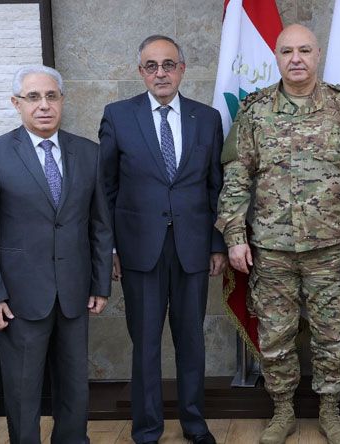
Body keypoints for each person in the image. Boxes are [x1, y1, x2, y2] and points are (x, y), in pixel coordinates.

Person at [216, 23, 340, 444]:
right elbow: (236, 178)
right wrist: (234, 236)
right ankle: (282, 411)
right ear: (276, 56)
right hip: (271, 249)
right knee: (275, 335)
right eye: (287, 51)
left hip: (331, 248)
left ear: (317, 54)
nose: (296, 59)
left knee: (332, 335)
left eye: (304, 50)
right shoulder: (254, 110)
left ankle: (330, 412)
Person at [0, 65, 113, 443]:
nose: (43, 105)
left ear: (62, 101)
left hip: (74, 293)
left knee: (74, 388)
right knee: (22, 391)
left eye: (51, 96)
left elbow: (100, 225)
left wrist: (100, 283)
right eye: (33, 97)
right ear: (16, 103)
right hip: (18, 297)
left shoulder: (89, 153)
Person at [99, 35, 226, 444]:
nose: (161, 73)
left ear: (182, 69)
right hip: (139, 250)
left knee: (191, 341)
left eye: (168, 64)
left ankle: (194, 423)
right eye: (151, 66)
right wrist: (111, 248)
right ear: (141, 72)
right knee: (146, 344)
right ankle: (147, 428)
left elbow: (216, 187)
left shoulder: (207, 119)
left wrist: (217, 244)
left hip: (192, 248)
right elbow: (105, 188)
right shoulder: (118, 116)